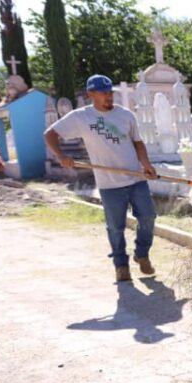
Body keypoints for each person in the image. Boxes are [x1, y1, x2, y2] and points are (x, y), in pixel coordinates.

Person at [44, 75, 158, 283]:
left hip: (135, 178)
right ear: (91, 94)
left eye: (110, 92)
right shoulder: (80, 117)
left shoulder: (126, 115)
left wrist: (146, 164)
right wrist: (61, 156)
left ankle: (142, 254)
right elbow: (50, 134)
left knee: (148, 217)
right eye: (103, 93)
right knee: (115, 227)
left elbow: (138, 143)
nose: (108, 96)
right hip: (109, 184)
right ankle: (121, 265)